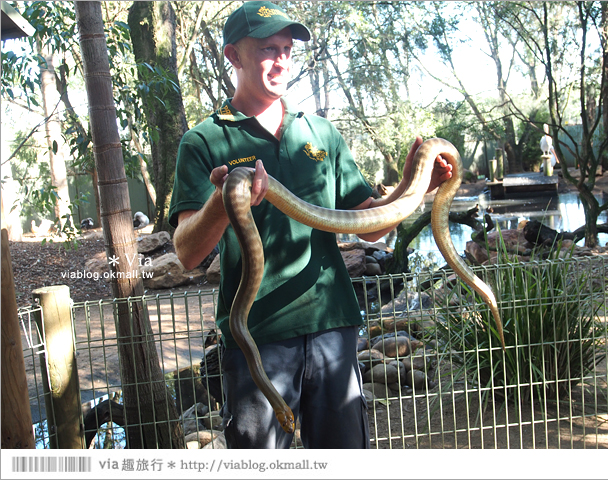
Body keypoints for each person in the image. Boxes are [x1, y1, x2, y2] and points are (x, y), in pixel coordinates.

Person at [168, 1, 452, 449]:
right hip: (256, 341)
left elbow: (370, 225)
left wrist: (416, 186)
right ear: (233, 55)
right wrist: (224, 203)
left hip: (333, 329)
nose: (281, 59)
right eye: (266, 49)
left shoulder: (320, 133)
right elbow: (187, 253)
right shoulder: (204, 140)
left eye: (286, 48)